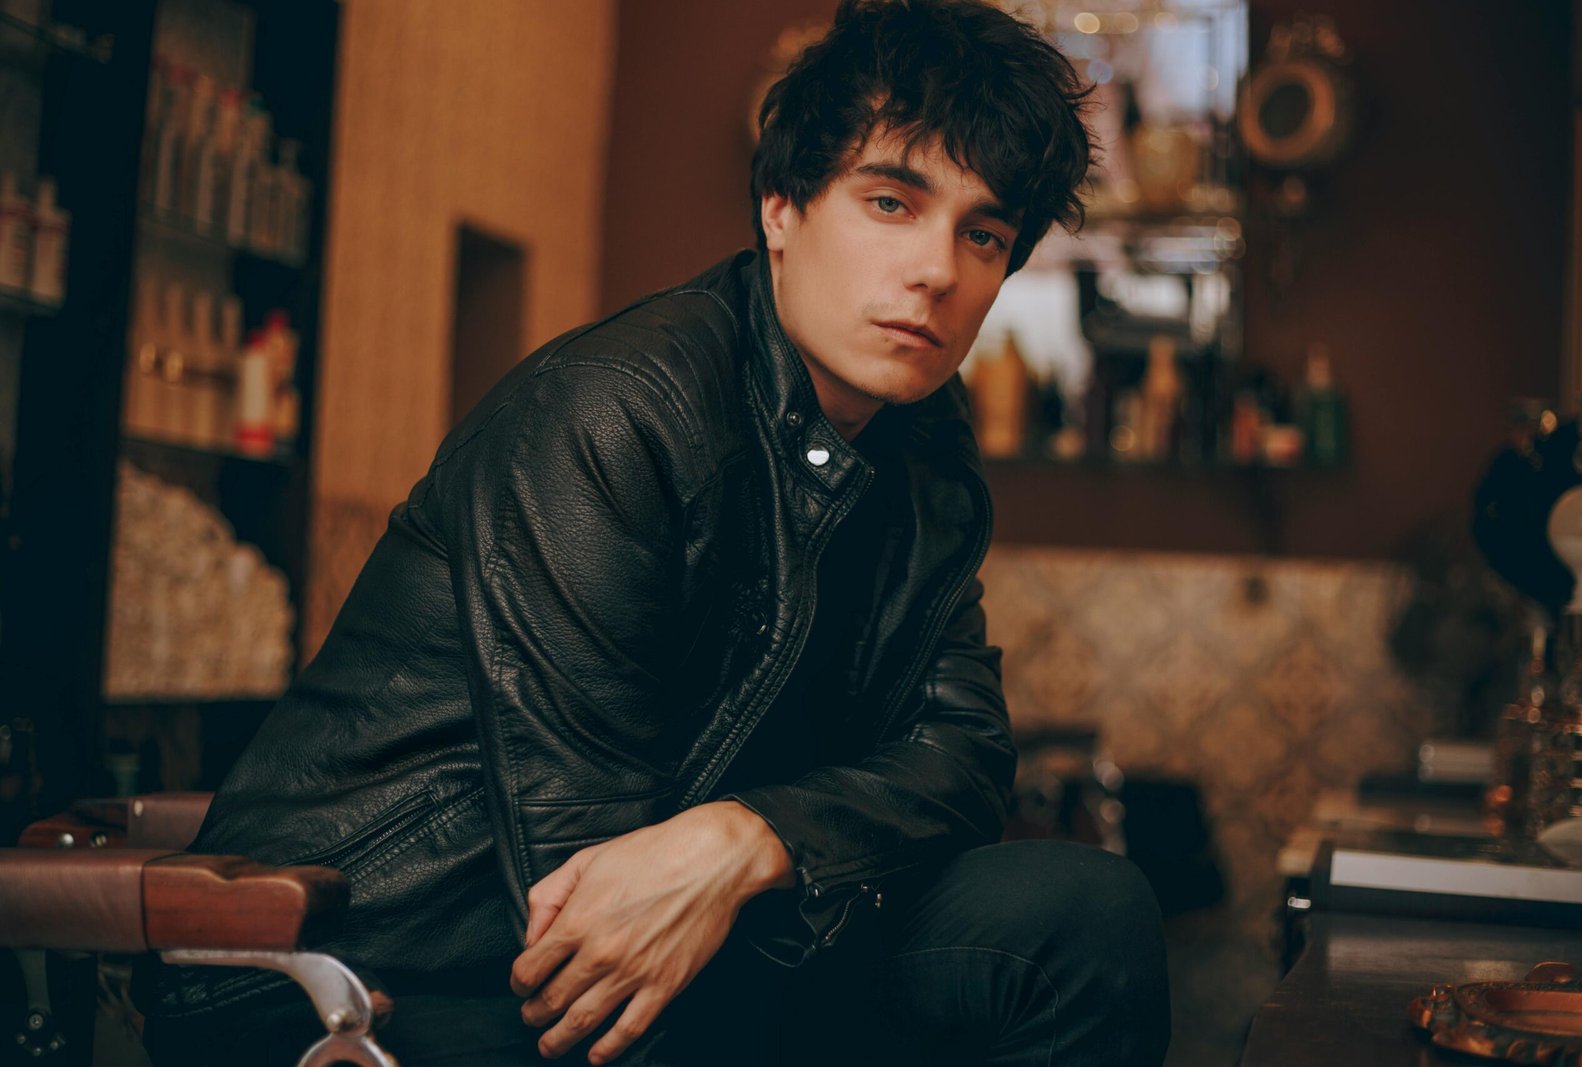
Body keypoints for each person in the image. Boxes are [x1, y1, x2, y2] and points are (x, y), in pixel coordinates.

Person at [138, 1, 1169, 1063]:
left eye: (983, 233)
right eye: (891, 201)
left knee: (1081, 917)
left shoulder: (925, 458)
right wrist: (740, 855)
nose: (937, 270)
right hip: (388, 959)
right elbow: (584, 875)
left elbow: (960, 756)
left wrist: (749, 837)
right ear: (781, 206)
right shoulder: (615, 411)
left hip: (687, 923)